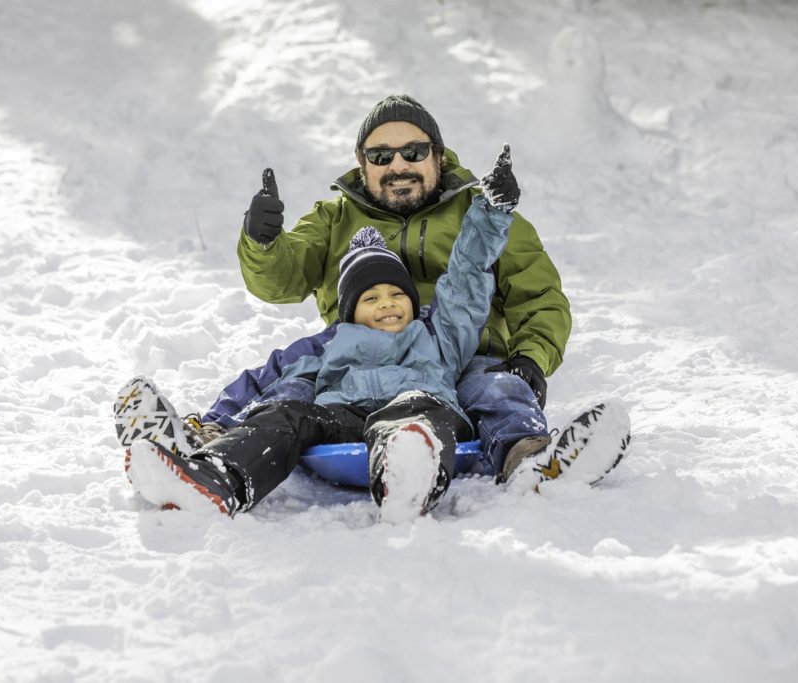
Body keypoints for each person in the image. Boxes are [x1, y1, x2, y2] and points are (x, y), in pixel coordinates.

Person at [119, 148, 522, 521]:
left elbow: (466, 279)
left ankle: (407, 477)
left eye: (398, 294)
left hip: (419, 413)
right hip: (343, 417)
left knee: (413, 409)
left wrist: (490, 214)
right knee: (285, 413)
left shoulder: (437, 336)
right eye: (372, 297)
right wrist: (215, 424)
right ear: (348, 312)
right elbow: (265, 380)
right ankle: (217, 476)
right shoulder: (330, 346)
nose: (387, 304)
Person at [238, 95, 571, 481]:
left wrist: (531, 357)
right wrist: (262, 244)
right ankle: (223, 445)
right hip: (355, 362)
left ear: (438, 157)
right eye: (380, 156)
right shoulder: (333, 218)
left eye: (413, 152)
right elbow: (282, 281)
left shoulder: (482, 214)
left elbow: (539, 295)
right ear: (362, 164)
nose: (398, 166)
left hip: (463, 357)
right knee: (288, 386)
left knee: (498, 390)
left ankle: (531, 458)